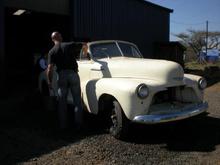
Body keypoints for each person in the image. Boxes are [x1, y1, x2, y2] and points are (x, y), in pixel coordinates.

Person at [47, 31, 83, 130]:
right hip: (73, 74)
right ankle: (78, 125)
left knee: (62, 103)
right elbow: (83, 46)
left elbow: (49, 68)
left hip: (61, 76)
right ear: (60, 37)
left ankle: (63, 126)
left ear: (52, 39)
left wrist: (49, 82)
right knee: (77, 101)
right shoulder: (68, 45)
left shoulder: (52, 51)